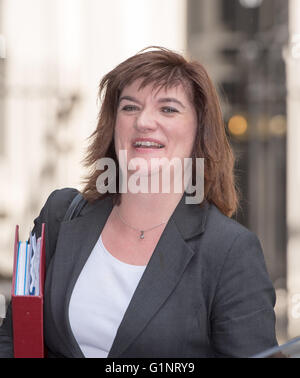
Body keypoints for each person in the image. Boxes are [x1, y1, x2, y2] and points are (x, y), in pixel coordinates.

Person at [0, 47, 278, 358]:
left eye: (168, 109)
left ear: (200, 130)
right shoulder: (60, 215)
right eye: (130, 107)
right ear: (113, 124)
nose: (144, 121)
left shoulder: (230, 251)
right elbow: (11, 341)